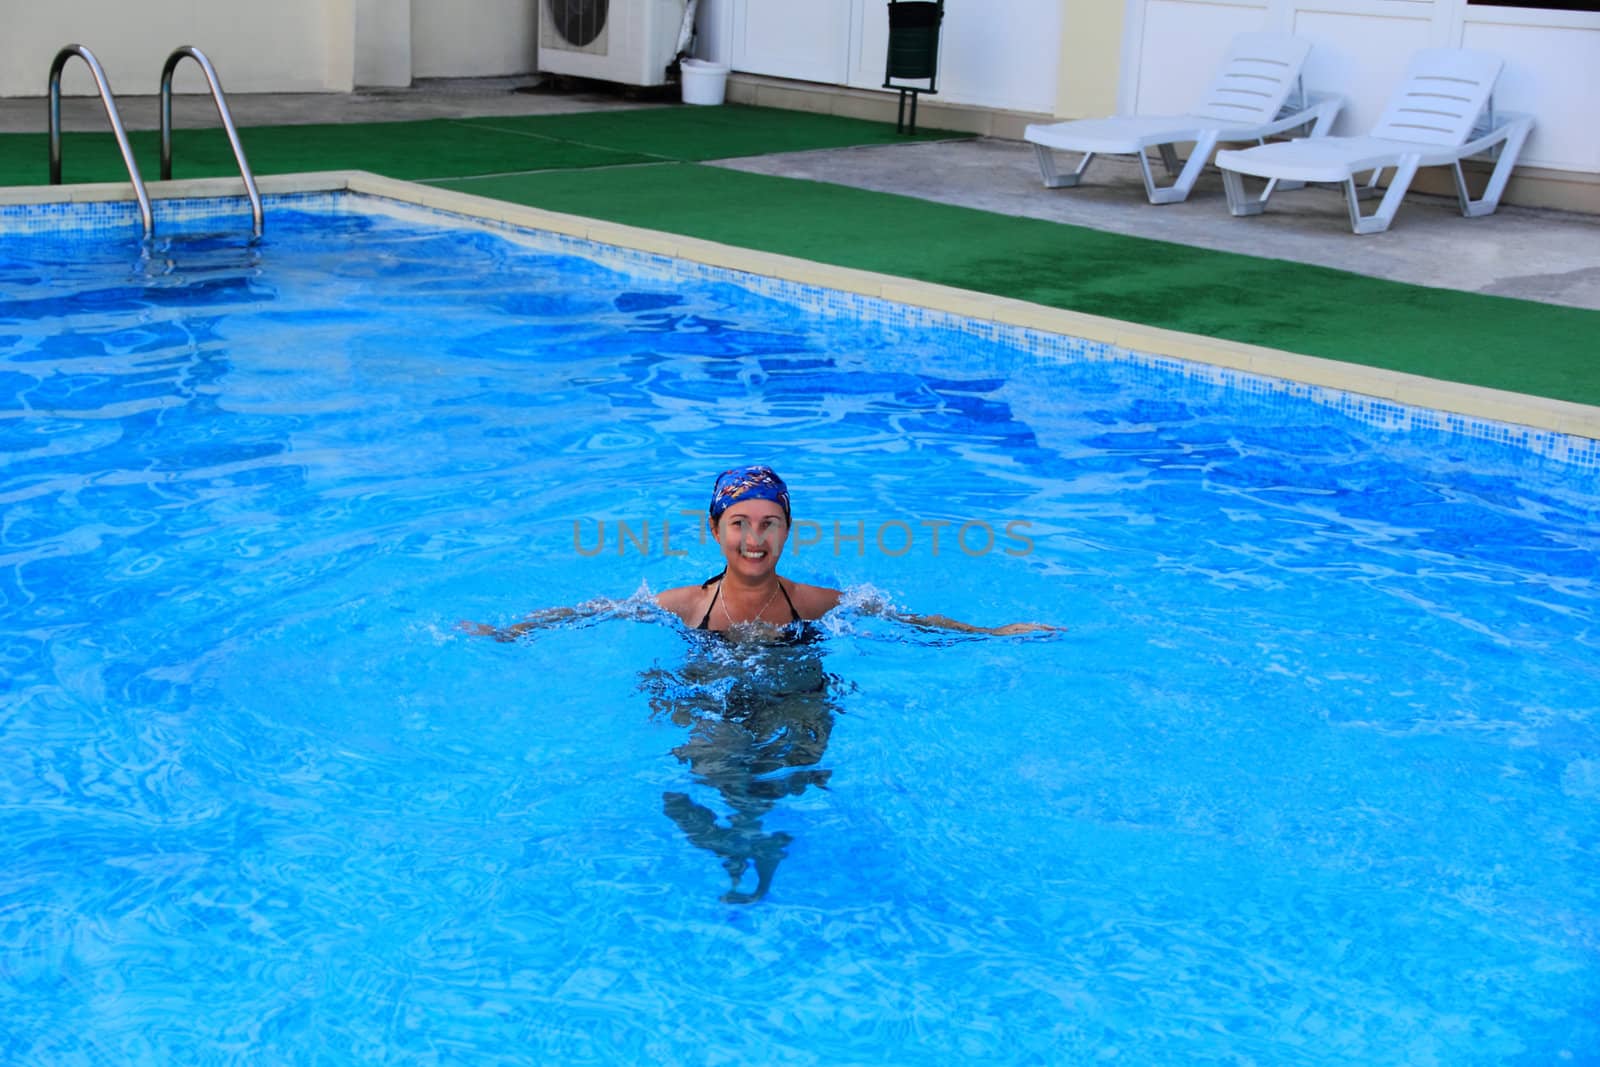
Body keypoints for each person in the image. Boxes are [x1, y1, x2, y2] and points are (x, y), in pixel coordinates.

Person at [464, 464, 1056, 639]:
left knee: (803, 758)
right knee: (711, 757)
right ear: (716, 530)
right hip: (707, 692)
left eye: (771, 523)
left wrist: (993, 632)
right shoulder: (686, 605)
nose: (755, 538)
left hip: (796, 693)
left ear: (788, 531)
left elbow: (906, 620)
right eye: (741, 523)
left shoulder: (816, 604)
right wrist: (514, 631)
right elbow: (597, 609)